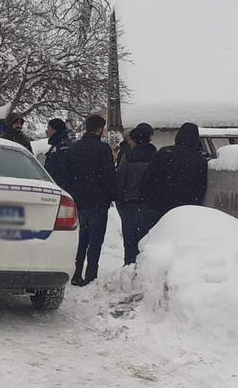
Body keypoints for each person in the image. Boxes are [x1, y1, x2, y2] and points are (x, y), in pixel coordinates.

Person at [67, 114, 116, 286]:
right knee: (95, 240)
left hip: (78, 200)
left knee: (80, 239)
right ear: (99, 129)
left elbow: (68, 173)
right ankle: (90, 275)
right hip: (98, 201)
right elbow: (109, 175)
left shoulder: (74, 147)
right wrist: (113, 195)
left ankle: (75, 272)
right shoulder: (103, 149)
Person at [142, 122, 208, 224]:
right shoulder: (200, 160)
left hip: (159, 207)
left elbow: (148, 177)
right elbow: (201, 186)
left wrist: (150, 200)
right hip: (186, 209)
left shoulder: (164, 152)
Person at [117, 124, 156, 266]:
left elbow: (120, 180)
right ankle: (144, 268)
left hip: (130, 204)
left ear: (135, 141)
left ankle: (129, 267)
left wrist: (120, 202)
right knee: (146, 241)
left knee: (130, 241)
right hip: (150, 205)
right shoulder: (156, 156)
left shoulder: (128, 157)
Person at [43, 118, 72, 192]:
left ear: (54, 130)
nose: (47, 131)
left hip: (59, 188)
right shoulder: (57, 144)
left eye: (48, 128)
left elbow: (62, 169)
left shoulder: (63, 146)